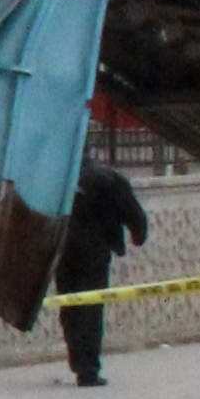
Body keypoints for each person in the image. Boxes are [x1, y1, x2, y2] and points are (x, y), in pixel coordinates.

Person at [57, 160, 151, 386]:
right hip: (94, 253)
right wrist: (138, 235)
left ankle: (79, 361)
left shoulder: (62, 177)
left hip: (63, 251)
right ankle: (87, 369)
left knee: (70, 307)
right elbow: (134, 213)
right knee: (91, 308)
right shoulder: (108, 178)